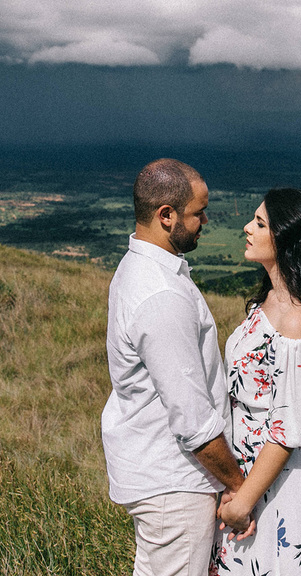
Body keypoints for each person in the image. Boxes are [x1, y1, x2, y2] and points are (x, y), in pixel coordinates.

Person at [102, 158, 253, 576]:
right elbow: (193, 421)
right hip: (174, 482)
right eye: (198, 212)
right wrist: (239, 488)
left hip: (159, 473)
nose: (206, 220)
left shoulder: (141, 269)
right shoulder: (160, 294)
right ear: (166, 216)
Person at [212, 188, 301, 576]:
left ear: (287, 237)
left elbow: (289, 427)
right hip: (246, 466)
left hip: (280, 476)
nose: (247, 228)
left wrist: (244, 501)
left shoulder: (299, 319)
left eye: (259, 223)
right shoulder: (268, 299)